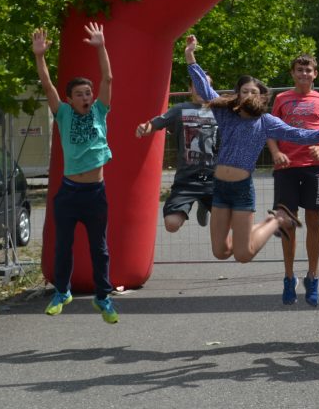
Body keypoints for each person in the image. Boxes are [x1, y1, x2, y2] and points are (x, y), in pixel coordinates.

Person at [187, 40, 319, 267]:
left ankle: (277, 220)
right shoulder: (226, 114)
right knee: (221, 252)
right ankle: (264, 224)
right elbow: (205, 90)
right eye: (244, 91)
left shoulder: (265, 122)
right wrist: (190, 57)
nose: (248, 95)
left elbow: (299, 135)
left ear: (262, 97)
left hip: (242, 190)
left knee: (243, 255)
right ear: (237, 95)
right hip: (220, 189)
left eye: (253, 92)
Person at [33, 22, 119, 324]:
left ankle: (103, 297)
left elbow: (107, 77)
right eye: (80, 94)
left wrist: (100, 46)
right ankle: (62, 292)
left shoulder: (99, 111)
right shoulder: (64, 114)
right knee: (63, 245)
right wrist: (40, 56)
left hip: (95, 192)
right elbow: (47, 85)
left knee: (100, 248)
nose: (86, 97)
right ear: (70, 99)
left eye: (88, 93)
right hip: (69, 193)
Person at [265, 54, 319, 306]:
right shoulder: (282, 98)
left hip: (314, 168)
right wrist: (275, 152)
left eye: (308, 70)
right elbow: (270, 130)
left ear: (316, 74)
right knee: (287, 223)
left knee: (313, 220)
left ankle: (313, 276)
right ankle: (288, 277)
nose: (304, 74)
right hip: (286, 168)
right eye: (299, 70)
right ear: (292, 73)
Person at [135, 36, 218, 234]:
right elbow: (155, 123)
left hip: (215, 179)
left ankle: (205, 205)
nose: (200, 89)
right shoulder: (180, 109)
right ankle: (197, 201)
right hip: (187, 179)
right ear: (190, 89)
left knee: (233, 220)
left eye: (205, 85)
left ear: (211, 89)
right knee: (171, 225)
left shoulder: (220, 111)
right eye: (196, 85)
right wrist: (143, 128)